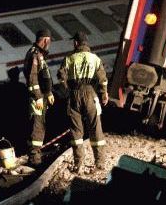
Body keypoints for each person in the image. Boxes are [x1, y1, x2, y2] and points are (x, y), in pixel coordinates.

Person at [58, 31, 108, 173]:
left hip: (74, 95)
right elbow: (102, 80)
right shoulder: (95, 58)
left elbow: (61, 78)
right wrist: (104, 95)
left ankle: (78, 163)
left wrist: (68, 91)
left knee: (76, 131)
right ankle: (100, 164)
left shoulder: (69, 59)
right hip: (90, 93)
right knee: (95, 128)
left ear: (75, 43)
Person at [23, 28, 55, 165]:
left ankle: (36, 156)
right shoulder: (35, 54)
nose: (50, 44)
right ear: (45, 40)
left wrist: (48, 93)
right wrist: (38, 97)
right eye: (49, 41)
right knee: (37, 125)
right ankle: (34, 159)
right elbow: (33, 78)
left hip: (41, 96)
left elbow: (43, 77)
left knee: (39, 124)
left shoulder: (37, 54)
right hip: (37, 98)